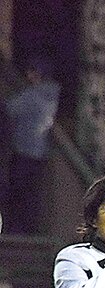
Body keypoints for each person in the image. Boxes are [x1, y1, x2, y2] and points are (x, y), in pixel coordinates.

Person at [3, 55, 60, 234]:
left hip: (24, 150)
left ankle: (17, 230)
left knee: (18, 193)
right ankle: (29, 229)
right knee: (32, 194)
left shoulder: (33, 95)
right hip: (40, 151)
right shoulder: (52, 94)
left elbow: (10, 108)